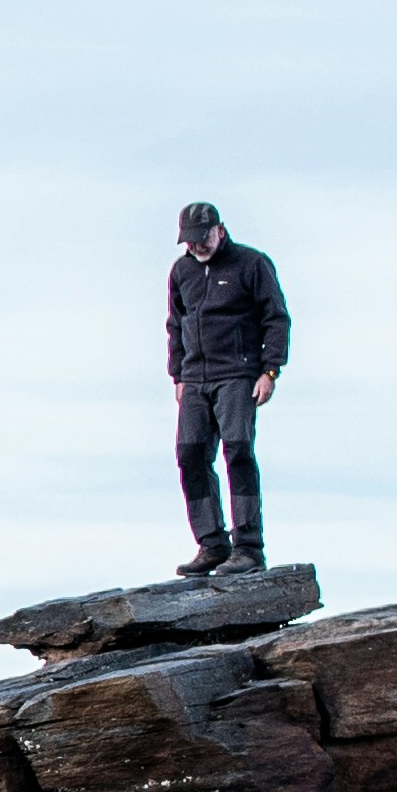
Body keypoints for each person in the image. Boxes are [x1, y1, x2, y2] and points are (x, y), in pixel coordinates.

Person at [165, 200, 288, 574]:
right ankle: (212, 544)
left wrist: (269, 372)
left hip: (238, 374)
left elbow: (276, 318)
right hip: (194, 378)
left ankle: (248, 548)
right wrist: (178, 375)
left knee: (238, 452)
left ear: (219, 230)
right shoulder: (182, 271)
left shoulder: (251, 264)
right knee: (190, 456)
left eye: (202, 238)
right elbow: (175, 324)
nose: (196, 246)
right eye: (189, 240)